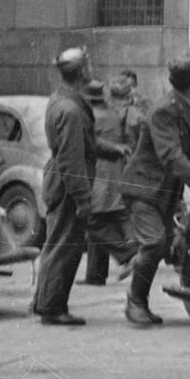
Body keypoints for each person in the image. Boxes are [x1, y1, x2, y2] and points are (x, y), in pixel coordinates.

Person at [117, 53, 190, 328]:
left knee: (166, 245)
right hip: (143, 188)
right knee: (154, 243)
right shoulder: (164, 109)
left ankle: (140, 291)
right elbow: (170, 154)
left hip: (161, 192)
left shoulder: (186, 105)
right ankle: (135, 302)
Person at [34, 46, 98, 326]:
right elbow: (72, 159)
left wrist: (109, 149)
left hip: (60, 182)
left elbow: (76, 146)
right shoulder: (71, 109)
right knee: (64, 245)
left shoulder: (61, 100)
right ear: (82, 71)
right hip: (67, 185)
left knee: (56, 243)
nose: (92, 68)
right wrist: (83, 199)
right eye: (89, 64)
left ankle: (44, 302)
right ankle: (51, 307)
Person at [83, 70, 144, 286]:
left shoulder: (94, 117)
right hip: (117, 173)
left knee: (93, 220)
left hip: (101, 174)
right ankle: (95, 274)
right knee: (112, 217)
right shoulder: (115, 115)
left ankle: (128, 253)